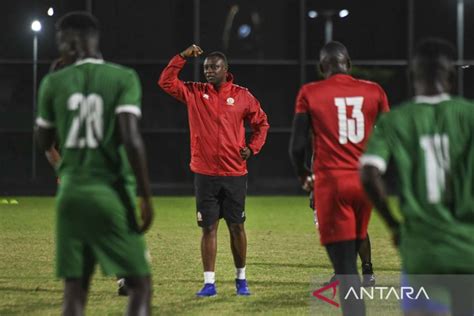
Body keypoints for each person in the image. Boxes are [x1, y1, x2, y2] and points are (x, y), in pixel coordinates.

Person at [35, 12, 153, 315]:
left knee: (74, 291)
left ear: (71, 41)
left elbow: (43, 139)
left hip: (71, 193)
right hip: (111, 191)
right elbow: (131, 139)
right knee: (140, 284)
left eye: (60, 41)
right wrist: (145, 195)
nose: (59, 47)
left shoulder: (53, 82)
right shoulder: (123, 77)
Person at [360, 38, 474, 316]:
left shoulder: (395, 119)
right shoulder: (469, 115)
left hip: (420, 247)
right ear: (450, 77)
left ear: (413, 76)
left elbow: (368, 173)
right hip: (467, 246)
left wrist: (394, 226)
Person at [158, 44, 269, 297]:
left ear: (226, 70)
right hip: (205, 173)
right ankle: (209, 283)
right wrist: (182, 57)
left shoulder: (242, 96)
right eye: (206, 67)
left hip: (234, 173)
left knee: (236, 227)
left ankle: (241, 279)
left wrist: (252, 148)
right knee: (208, 228)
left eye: (214, 67)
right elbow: (165, 81)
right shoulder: (194, 92)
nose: (209, 71)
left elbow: (262, 123)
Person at [289, 41, 389, 316]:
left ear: (322, 67)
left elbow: (297, 147)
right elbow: (389, 136)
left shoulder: (310, 92)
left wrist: (302, 174)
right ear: (349, 63)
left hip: (332, 183)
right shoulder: (374, 90)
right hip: (364, 182)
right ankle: (364, 271)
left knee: (345, 269)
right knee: (358, 236)